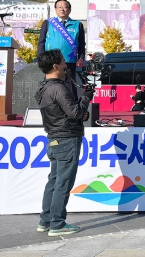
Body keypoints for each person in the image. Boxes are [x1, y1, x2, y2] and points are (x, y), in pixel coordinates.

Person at [35, 49, 93, 237]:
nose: (65, 65)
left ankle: (45, 221)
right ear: (55, 66)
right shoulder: (58, 88)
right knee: (63, 183)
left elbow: (62, 113)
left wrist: (80, 110)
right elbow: (75, 112)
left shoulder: (43, 88)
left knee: (54, 181)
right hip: (67, 139)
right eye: (62, 62)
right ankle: (57, 224)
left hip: (54, 138)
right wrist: (85, 98)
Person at [38, 0, 86, 83]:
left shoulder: (77, 24)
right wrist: (41, 58)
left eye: (64, 7)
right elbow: (41, 42)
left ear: (69, 10)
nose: (62, 9)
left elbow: (81, 43)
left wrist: (81, 58)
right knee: (51, 84)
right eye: (59, 7)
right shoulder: (48, 23)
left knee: (70, 86)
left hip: (70, 61)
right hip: (51, 61)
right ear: (55, 9)